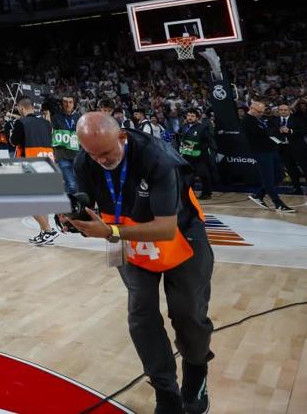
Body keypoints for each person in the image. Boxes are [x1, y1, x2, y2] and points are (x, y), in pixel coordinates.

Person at [65, 112, 214, 414]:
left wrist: (110, 231)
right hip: (124, 236)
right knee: (140, 314)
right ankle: (166, 393)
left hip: (179, 234)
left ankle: (196, 375)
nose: (101, 160)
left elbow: (165, 228)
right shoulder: (86, 160)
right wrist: (74, 217)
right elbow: (89, 202)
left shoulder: (157, 159)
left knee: (187, 314)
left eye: (106, 153)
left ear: (122, 137)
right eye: (93, 154)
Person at [9, 97, 57, 245]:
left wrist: (11, 132)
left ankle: (49, 230)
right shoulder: (46, 123)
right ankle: (45, 233)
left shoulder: (20, 123)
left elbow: (14, 141)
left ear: (21, 108)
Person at [242, 100, 294, 213]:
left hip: (271, 150)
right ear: (251, 108)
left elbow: (267, 132)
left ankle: (259, 195)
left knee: (280, 175)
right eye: (259, 112)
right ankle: (278, 204)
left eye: (263, 112)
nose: (262, 114)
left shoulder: (258, 118)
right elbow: (264, 134)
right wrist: (273, 131)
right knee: (268, 179)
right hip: (261, 152)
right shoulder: (247, 121)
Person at [176, 110, 216, 200]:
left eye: (192, 116)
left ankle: (207, 193)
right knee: (188, 176)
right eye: (188, 115)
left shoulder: (203, 127)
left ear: (197, 118)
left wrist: (193, 146)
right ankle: (189, 194)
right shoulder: (183, 126)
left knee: (203, 174)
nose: (190, 117)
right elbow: (180, 138)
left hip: (200, 156)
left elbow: (207, 142)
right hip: (187, 155)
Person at [50, 96, 80, 192]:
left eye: (70, 102)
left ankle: (69, 205)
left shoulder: (78, 117)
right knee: (72, 185)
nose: (68, 105)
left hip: (77, 156)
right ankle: (72, 205)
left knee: (72, 184)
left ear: (74, 104)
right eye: (65, 102)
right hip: (62, 156)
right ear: (62, 103)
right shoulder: (55, 118)